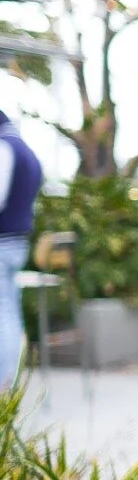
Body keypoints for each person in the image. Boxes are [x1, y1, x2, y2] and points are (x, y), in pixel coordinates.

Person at [0, 109, 43, 387]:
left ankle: (4, 383)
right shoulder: (27, 151)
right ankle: (8, 382)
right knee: (8, 311)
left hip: (3, 241)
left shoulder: (5, 148)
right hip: (17, 242)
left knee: (3, 313)